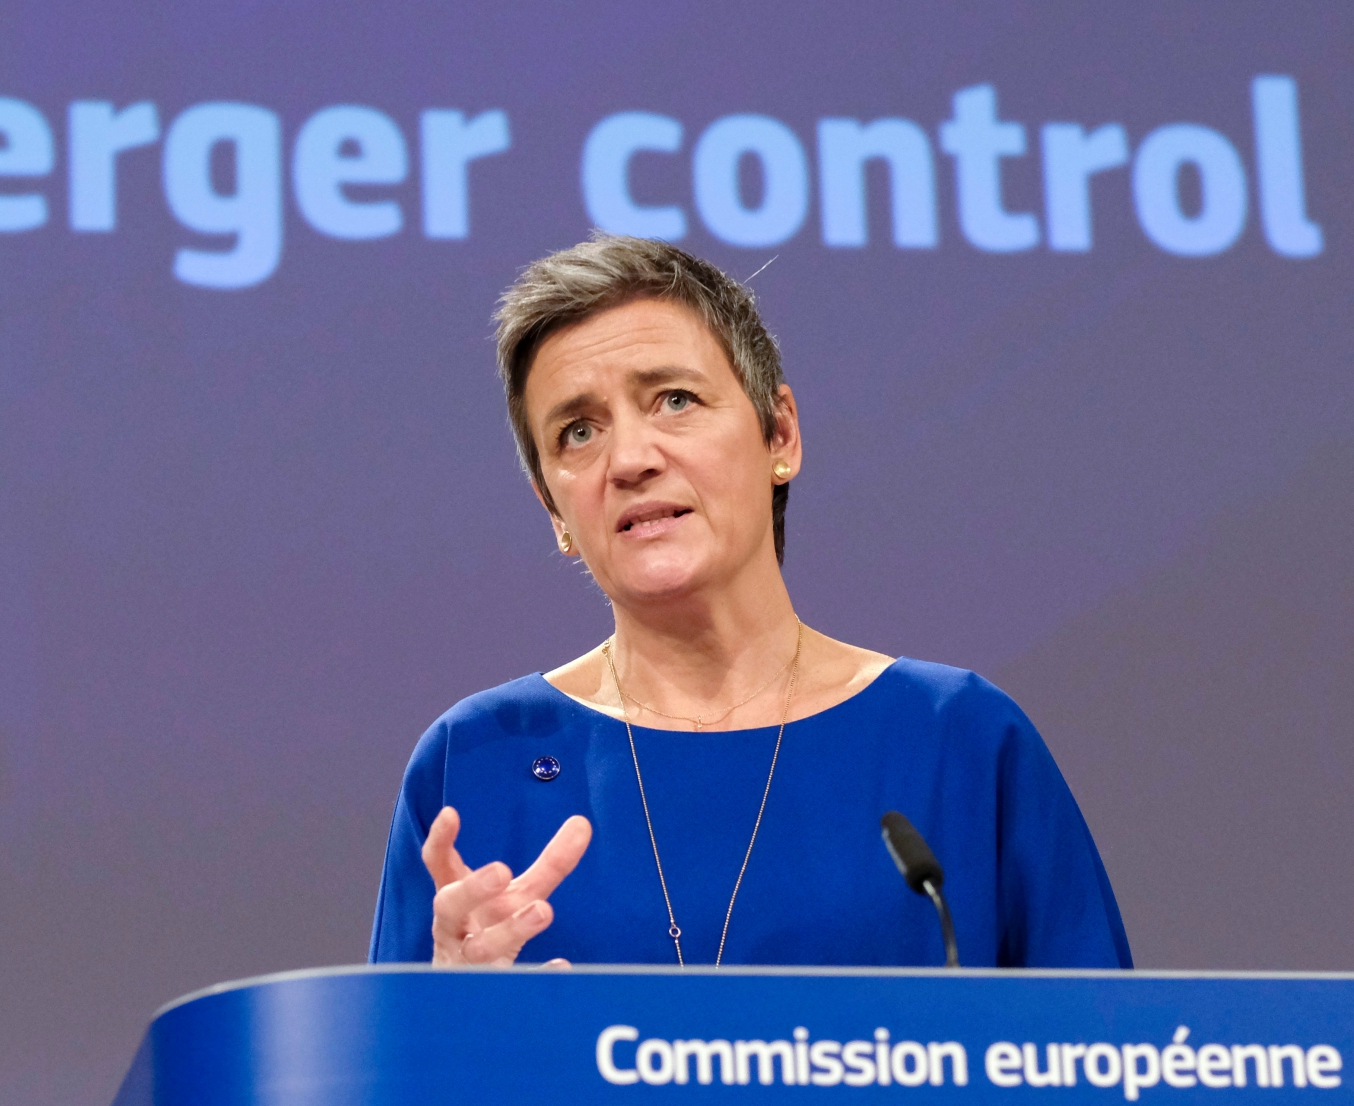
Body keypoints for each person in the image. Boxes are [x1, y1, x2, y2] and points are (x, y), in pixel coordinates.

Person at [367, 235, 1130, 970]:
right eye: (578, 431)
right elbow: (386, 1093)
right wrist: (443, 1027)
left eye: (673, 399)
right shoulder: (472, 764)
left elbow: (1106, 1070)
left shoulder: (956, 738)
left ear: (780, 434)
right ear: (554, 511)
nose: (631, 459)